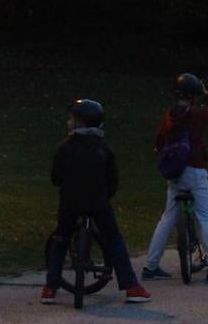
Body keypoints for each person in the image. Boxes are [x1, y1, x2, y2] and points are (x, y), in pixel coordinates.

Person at [40, 98, 152, 305]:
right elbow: (113, 181)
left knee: (61, 238)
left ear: (78, 123)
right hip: (98, 202)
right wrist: (105, 194)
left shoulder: (66, 147)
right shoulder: (104, 148)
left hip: (70, 203)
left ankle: (50, 288)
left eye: (71, 119)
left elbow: (56, 178)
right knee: (114, 239)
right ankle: (132, 287)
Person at [141, 73, 208, 282]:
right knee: (207, 217)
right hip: (194, 170)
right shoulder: (194, 114)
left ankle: (150, 265)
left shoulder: (170, 115)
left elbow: (158, 141)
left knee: (167, 218)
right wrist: (207, 94)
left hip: (175, 173)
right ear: (193, 95)